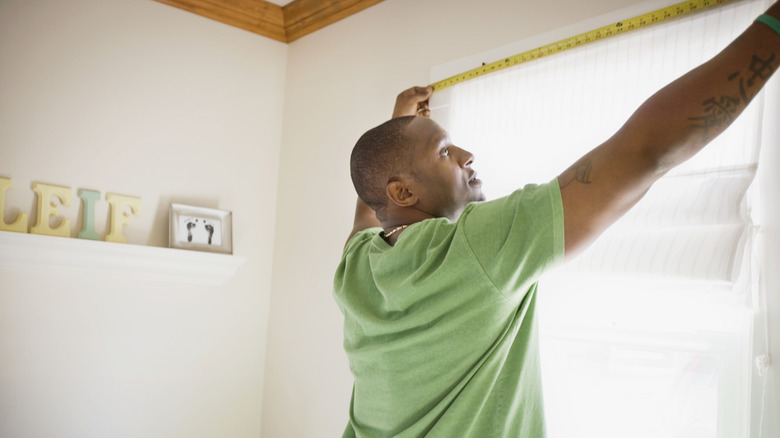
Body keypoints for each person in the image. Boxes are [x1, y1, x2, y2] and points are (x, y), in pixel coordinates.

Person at [334, 4, 780, 437]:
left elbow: (369, 209)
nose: (467, 156)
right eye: (446, 151)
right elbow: (645, 151)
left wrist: (398, 125)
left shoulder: (356, 267)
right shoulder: (473, 248)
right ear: (404, 191)